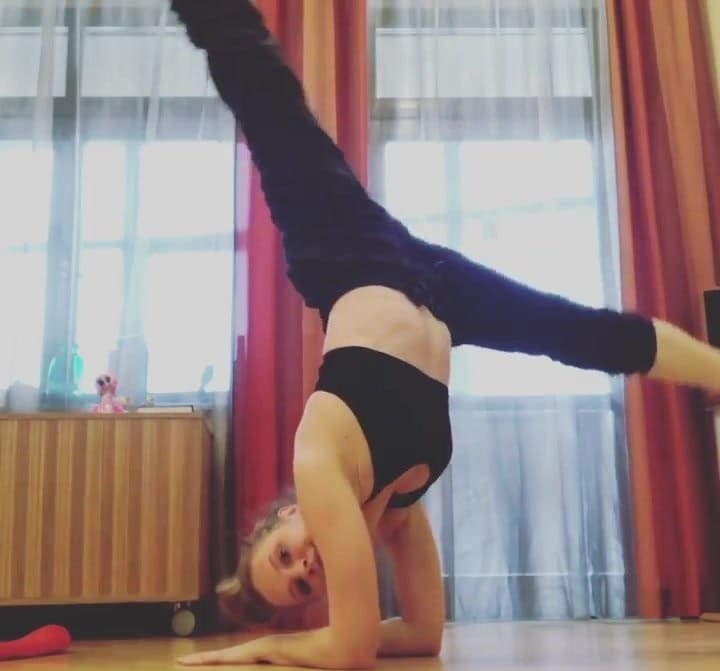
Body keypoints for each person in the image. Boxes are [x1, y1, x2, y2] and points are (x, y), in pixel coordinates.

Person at [171, 1, 720, 667]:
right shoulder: (398, 506)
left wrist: (267, 648)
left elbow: (350, 650)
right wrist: (327, 636)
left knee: (268, 102)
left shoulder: (316, 466)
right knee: (574, 331)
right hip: (437, 289)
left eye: (283, 556)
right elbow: (420, 635)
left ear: (281, 518)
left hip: (345, 255)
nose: (305, 565)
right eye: (303, 585)